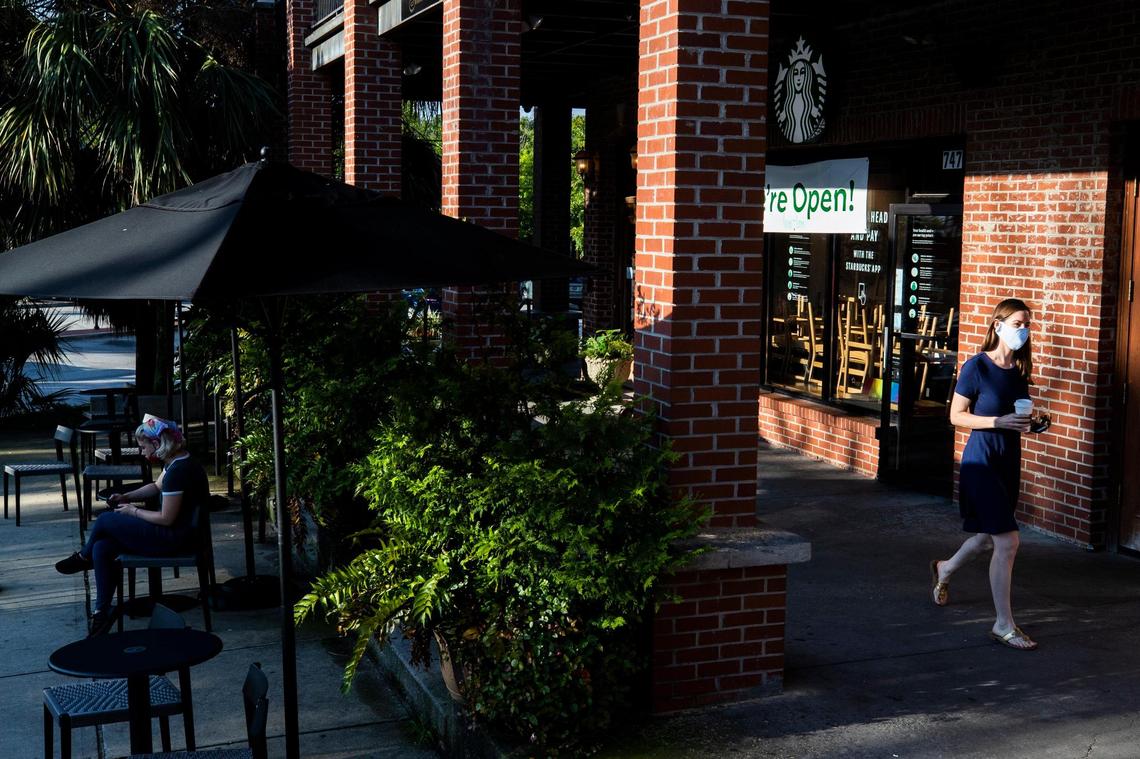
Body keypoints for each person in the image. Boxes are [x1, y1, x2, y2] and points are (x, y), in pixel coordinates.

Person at [930, 298, 1039, 651]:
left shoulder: (1019, 370)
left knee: (985, 538)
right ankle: (1003, 625)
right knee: (1007, 541)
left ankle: (945, 569)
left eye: (1027, 325)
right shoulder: (976, 366)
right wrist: (998, 421)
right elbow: (956, 416)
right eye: (1018, 324)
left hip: (1008, 459)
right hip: (982, 461)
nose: (1024, 330)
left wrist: (1033, 423)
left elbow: (1015, 417)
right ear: (998, 325)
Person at [55, 414, 209, 636]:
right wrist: (126, 497)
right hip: (173, 533)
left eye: (143, 446)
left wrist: (133, 511)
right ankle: (102, 613)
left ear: (157, 443)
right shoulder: (178, 461)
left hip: (176, 539)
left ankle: (83, 557)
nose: (141, 451)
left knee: (105, 520)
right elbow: (155, 487)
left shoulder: (179, 471)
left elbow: (166, 518)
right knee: (102, 547)